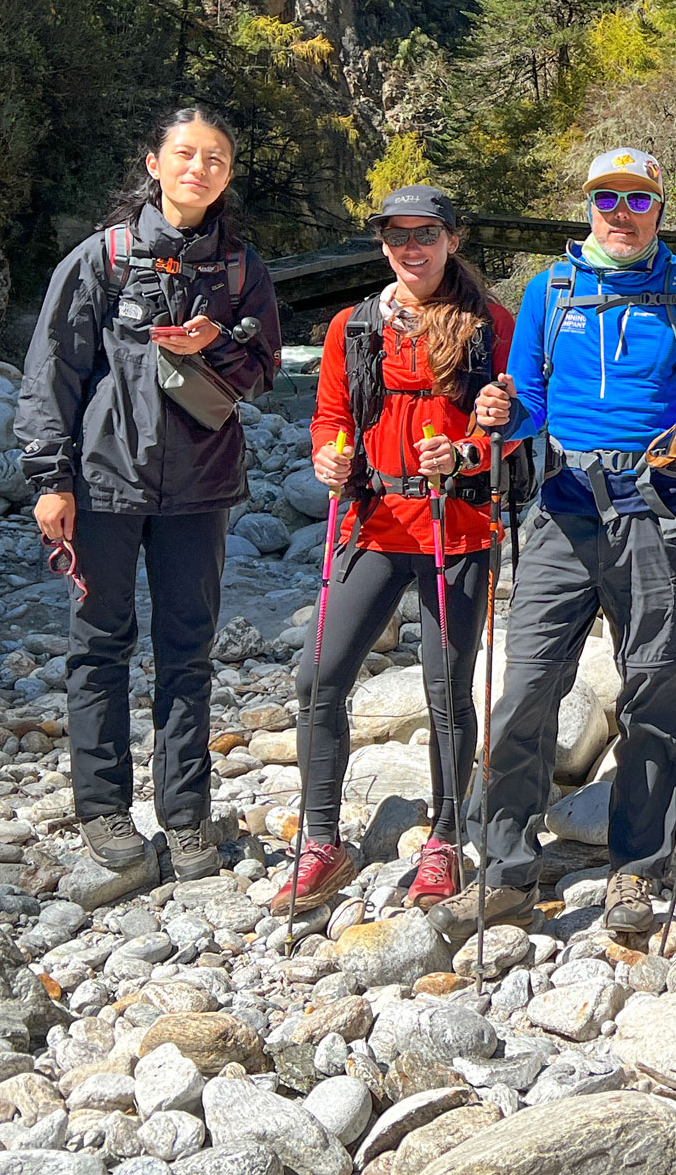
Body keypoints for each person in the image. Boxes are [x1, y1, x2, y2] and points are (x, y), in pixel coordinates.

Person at [438, 147, 676, 942]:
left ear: (660, 208)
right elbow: (527, 399)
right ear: (588, 207)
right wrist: (500, 418)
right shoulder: (550, 291)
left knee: (654, 691)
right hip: (560, 510)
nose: (623, 213)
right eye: (608, 198)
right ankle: (503, 867)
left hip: (654, 507)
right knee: (525, 688)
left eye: (638, 199)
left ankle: (635, 868)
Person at [18, 106, 282, 880]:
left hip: (199, 491)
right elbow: (53, 374)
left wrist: (218, 350)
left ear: (227, 175)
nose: (199, 168)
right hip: (101, 486)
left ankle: (187, 817)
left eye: (216, 159)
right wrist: (49, 480)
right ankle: (103, 811)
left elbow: (264, 369)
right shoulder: (101, 259)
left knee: (187, 652)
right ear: (155, 163)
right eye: (186, 155)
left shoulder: (240, 271)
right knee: (98, 649)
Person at [266, 186, 514, 915]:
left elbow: (516, 417)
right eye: (398, 235)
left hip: (457, 527)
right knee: (317, 680)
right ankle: (320, 841)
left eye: (426, 234)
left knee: (444, 689)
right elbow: (331, 416)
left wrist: (467, 451)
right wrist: (328, 457)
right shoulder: (352, 327)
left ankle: (442, 839)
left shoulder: (490, 323)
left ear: (451, 240)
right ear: (382, 244)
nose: (412, 248)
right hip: (374, 522)